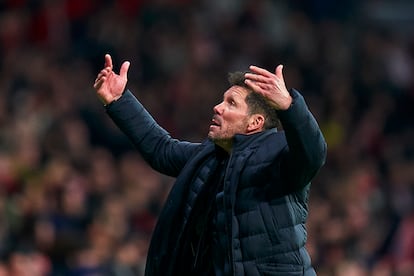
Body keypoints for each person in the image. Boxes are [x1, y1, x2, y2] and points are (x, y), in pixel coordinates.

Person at [93, 53, 327, 276]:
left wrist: (290, 106)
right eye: (222, 100)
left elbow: (313, 153)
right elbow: (161, 150)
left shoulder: (278, 153)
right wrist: (119, 100)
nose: (218, 107)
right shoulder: (209, 157)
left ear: (255, 122)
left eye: (231, 103)